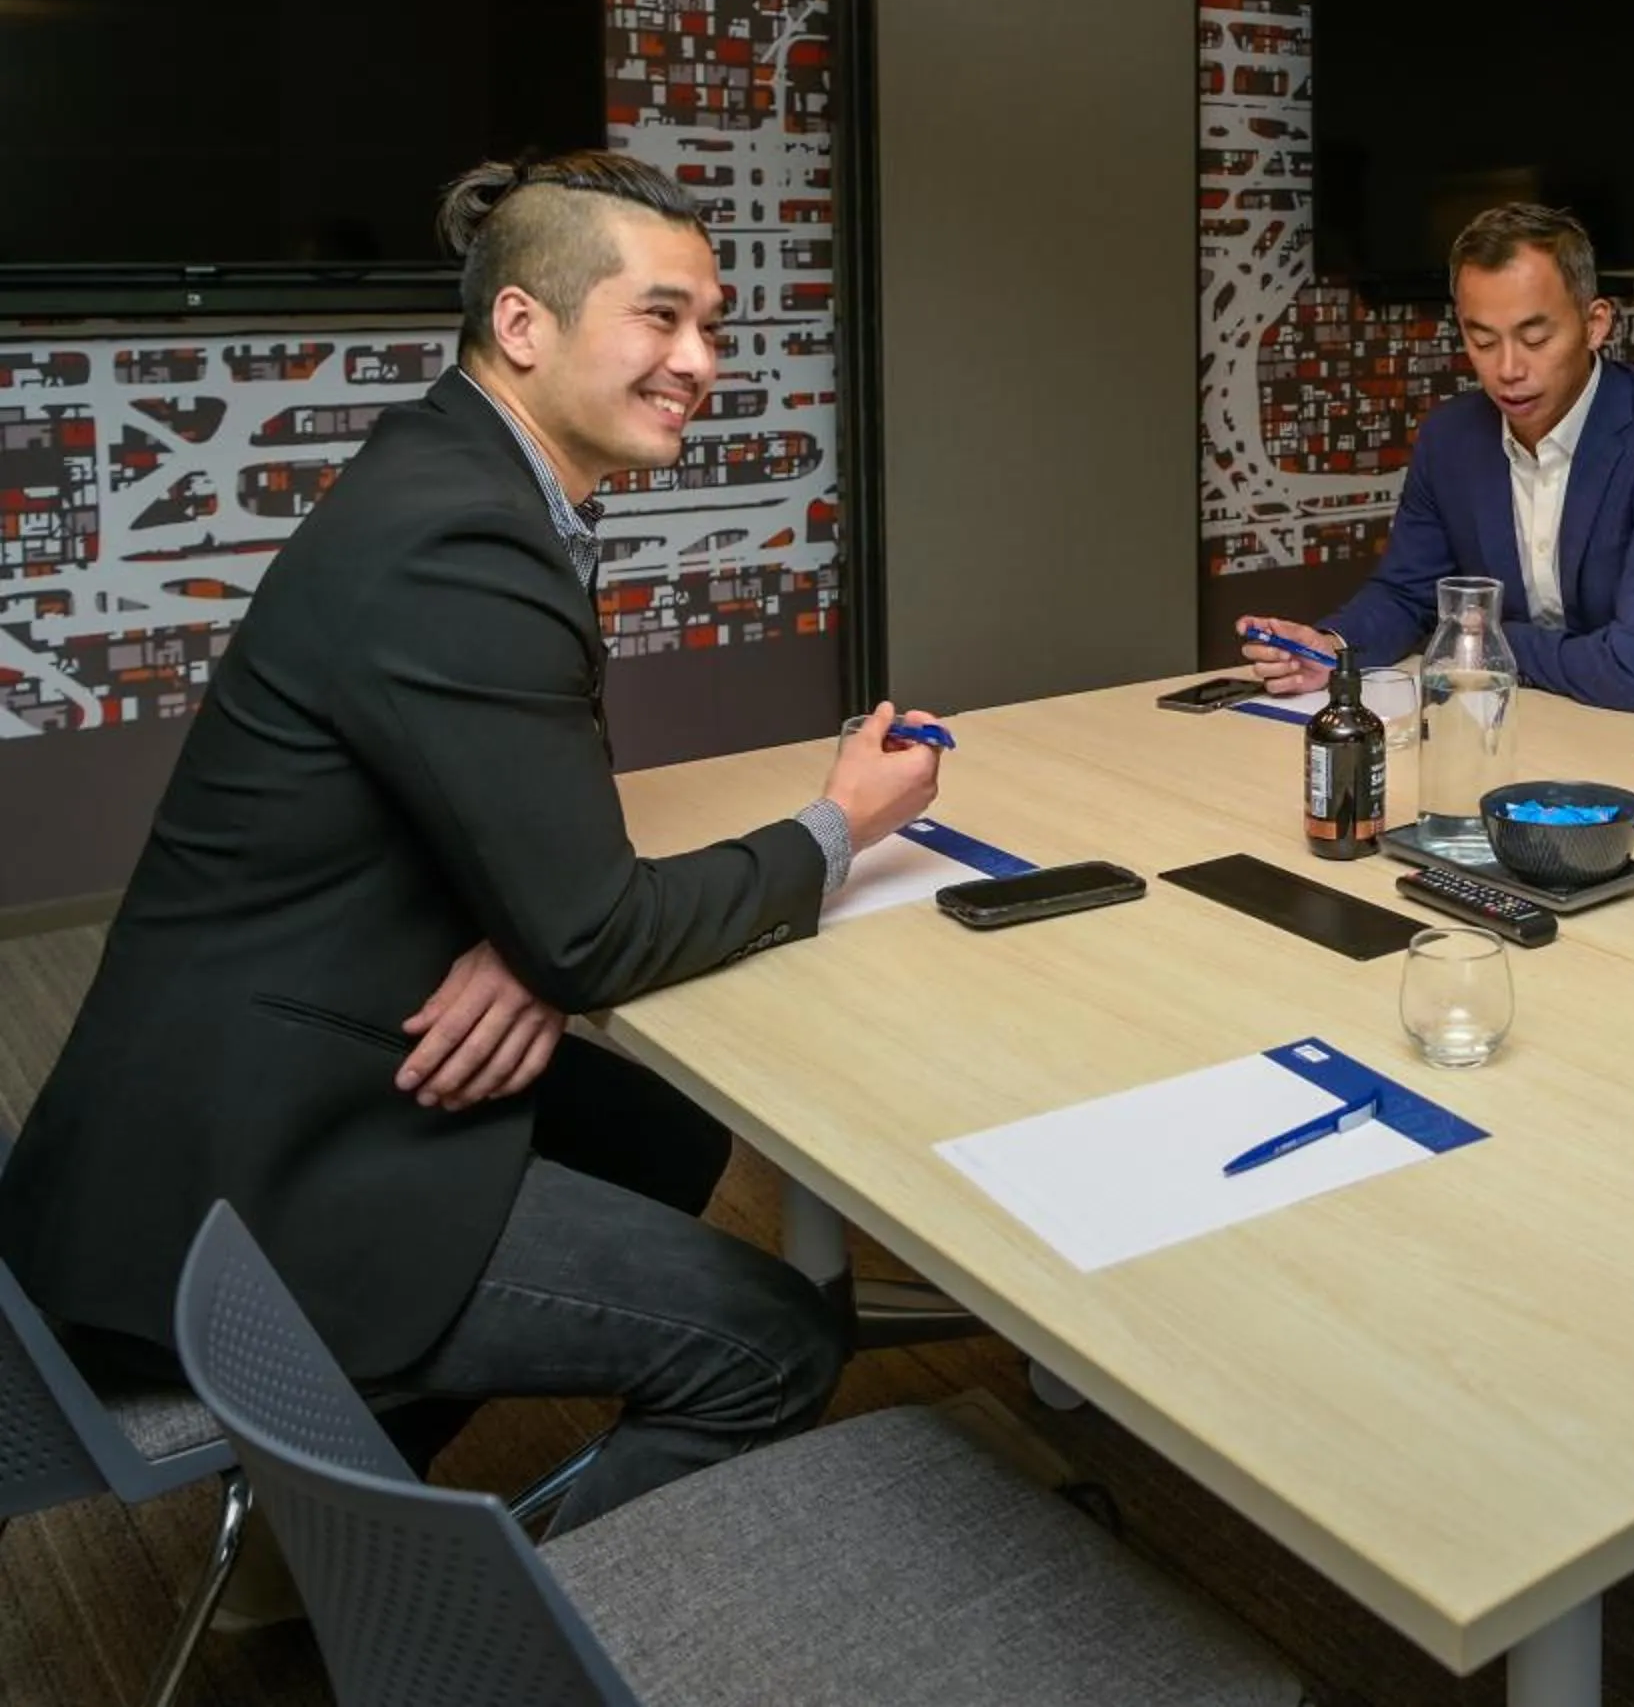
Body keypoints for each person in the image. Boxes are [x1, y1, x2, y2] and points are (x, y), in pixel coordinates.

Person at [0, 152, 946, 1535]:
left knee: (662, 1126)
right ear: (523, 326)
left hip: (278, 1049)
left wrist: (533, 938)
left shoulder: (453, 465)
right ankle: (463, 1630)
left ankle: (328, 1509)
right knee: (774, 1339)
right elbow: (597, 925)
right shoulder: (465, 538)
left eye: (712, 327)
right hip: (244, 1177)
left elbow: (528, 849)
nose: (701, 360)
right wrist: (839, 824)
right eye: (664, 317)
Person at [1235, 202, 1634, 721]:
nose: (1507, 369)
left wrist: (1481, 639)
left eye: (1535, 338)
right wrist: (1332, 650)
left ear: (1595, 325)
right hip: (1522, 722)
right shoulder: (1452, 438)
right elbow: (1406, 593)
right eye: (1482, 341)